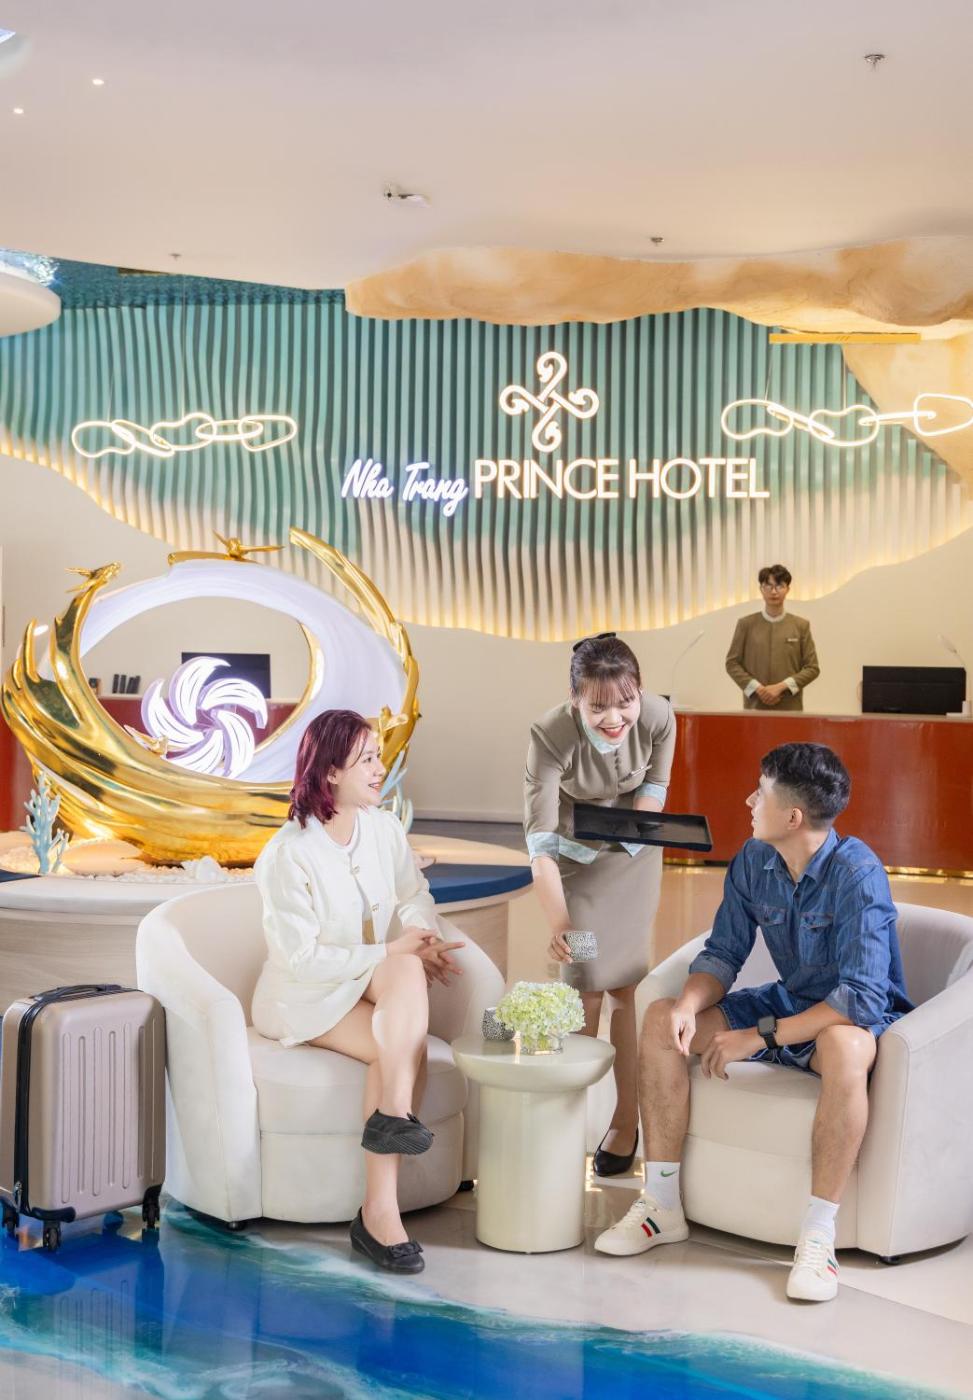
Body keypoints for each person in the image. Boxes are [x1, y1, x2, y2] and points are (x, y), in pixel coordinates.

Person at [594, 741, 912, 1303]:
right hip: (789, 1003)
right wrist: (688, 1005)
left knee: (845, 1048)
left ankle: (818, 1235)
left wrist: (758, 1037)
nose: (748, 801)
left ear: (793, 817)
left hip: (843, 1020)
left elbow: (860, 999)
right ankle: (661, 1205)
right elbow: (723, 953)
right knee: (661, 1022)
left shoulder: (858, 873)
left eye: (760, 793)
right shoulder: (753, 859)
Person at [252, 709, 463, 1275]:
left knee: (407, 971)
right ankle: (380, 1213)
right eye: (366, 759)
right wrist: (390, 951)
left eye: (378, 757)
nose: (379, 768)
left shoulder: (383, 829)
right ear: (329, 773)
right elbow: (301, 958)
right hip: (303, 993)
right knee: (402, 1050)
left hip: (360, 977)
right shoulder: (288, 853)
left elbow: (413, 893)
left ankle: (386, 1154)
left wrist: (421, 937)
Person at [525, 633, 676, 1176]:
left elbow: (656, 782)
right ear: (575, 700)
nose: (615, 718)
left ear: (640, 692)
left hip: (635, 862)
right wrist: (560, 921)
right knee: (584, 986)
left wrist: (635, 826)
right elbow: (540, 843)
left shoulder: (658, 716)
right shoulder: (549, 736)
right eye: (598, 708)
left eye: (625, 703)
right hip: (577, 867)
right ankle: (566, 1123)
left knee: (628, 988)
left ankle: (626, 1119)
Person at [725, 564, 820, 710]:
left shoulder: (801, 625)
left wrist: (781, 686)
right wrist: (758, 689)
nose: (774, 591)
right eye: (768, 586)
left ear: (788, 589)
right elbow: (732, 663)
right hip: (754, 706)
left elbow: (812, 668)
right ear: (761, 589)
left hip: (790, 708)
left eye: (779, 586)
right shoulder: (746, 624)